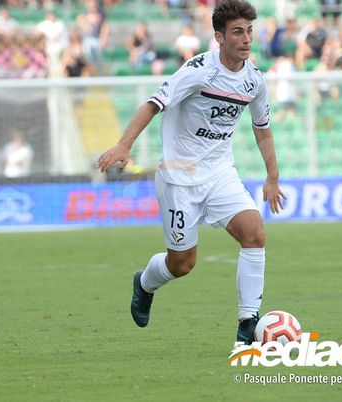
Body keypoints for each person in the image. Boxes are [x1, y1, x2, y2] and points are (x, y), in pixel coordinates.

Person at [97, 0, 286, 345]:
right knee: (182, 264)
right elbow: (153, 104)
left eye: (249, 31)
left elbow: (263, 128)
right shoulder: (198, 71)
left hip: (220, 174)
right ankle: (144, 283)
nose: (246, 39)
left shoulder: (254, 81)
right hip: (179, 178)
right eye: (237, 32)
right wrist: (124, 146)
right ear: (219, 37)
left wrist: (272, 176)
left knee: (254, 233)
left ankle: (248, 323)